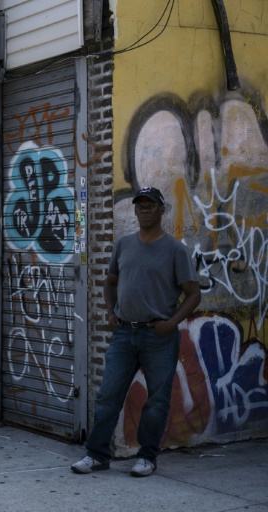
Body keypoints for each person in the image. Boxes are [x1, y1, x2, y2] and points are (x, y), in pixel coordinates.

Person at [71, 186, 201, 477]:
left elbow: (193, 294)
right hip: (124, 335)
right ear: (136, 210)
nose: (144, 210)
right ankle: (96, 454)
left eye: (150, 205)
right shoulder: (124, 244)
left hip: (159, 336)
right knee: (108, 396)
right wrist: (110, 310)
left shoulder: (175, 250)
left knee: (156, 400)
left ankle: (147, 456)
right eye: (140, 206)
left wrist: (172, 322)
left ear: (161, 210)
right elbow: (110, 282)